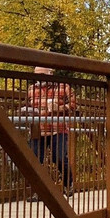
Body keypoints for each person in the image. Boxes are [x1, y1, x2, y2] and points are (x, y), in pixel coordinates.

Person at [26, 66, 77, 197]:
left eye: (41, 75)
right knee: (35, 160)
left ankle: (68, 183)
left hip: (58, 128)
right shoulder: (31, 89)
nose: (38, 79)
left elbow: (74, 106)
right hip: (38, 129)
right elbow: (28, 105)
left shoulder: (63, 87)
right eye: (36, 76)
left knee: (59, 158)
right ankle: (37, 191)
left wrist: (59, 108)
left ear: (50, 73)